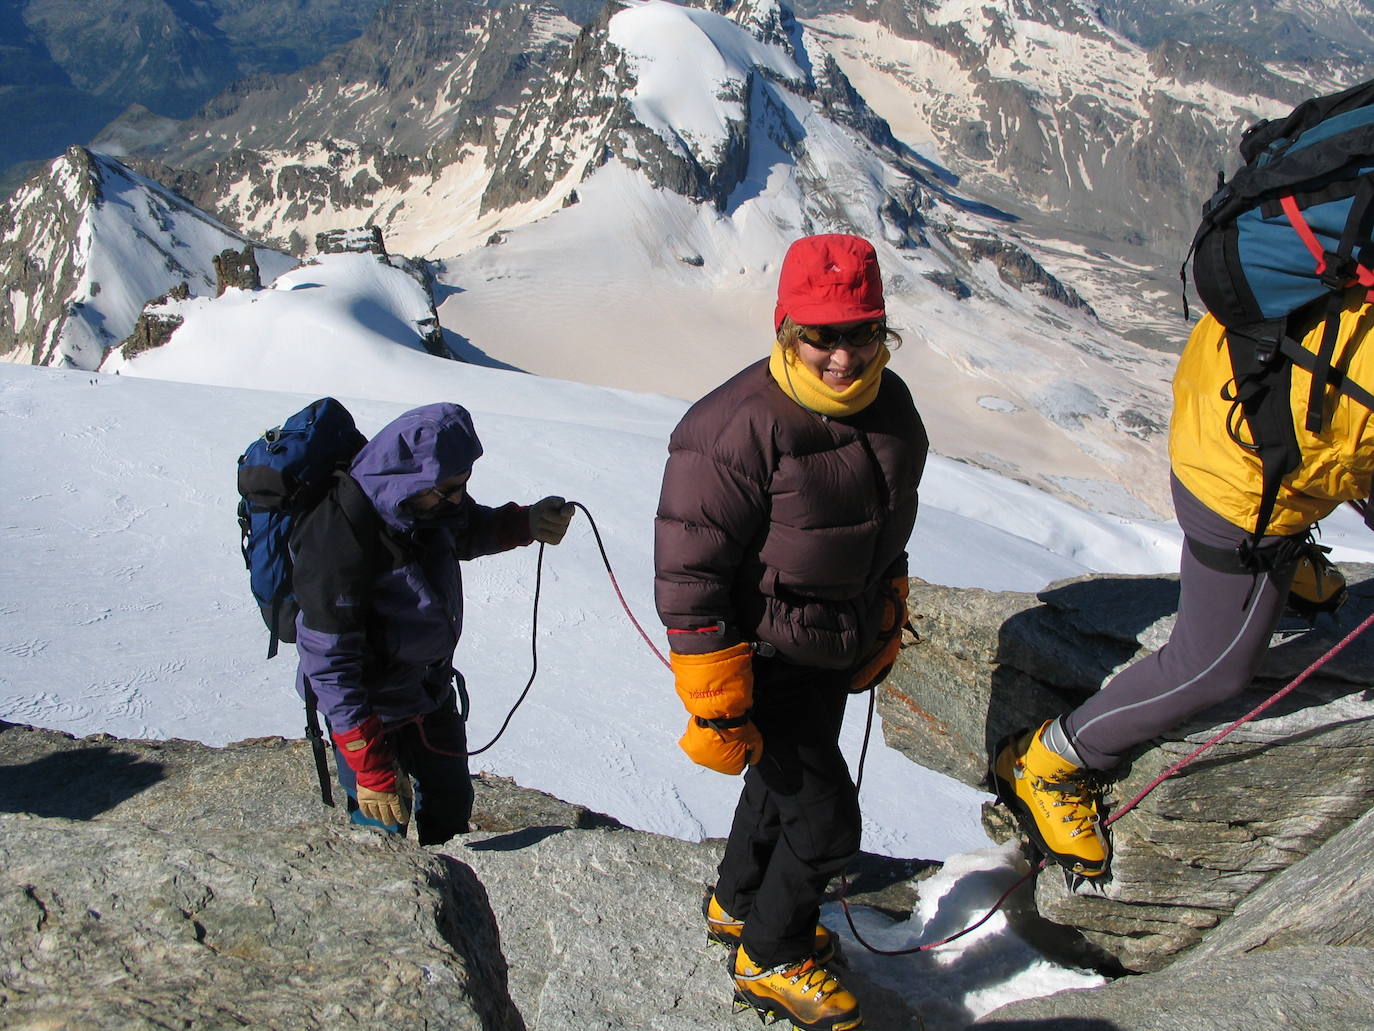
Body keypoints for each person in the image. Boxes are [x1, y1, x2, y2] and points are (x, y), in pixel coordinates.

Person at [993, 290, 1374, 879]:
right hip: (1236, 476)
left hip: (1230, 380)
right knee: (1214, 666)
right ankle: (1050, 761)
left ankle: (1282, 550)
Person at [655, 234, 928, 1031]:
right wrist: (717, 697)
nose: (842, 356)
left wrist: (883, 609)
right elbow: (689, 573)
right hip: (763, 660)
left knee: (778, 797)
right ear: (785, 330)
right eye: (821, 335)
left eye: (860, 332)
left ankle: (738, 905)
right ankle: (770, 955)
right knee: (828, 824)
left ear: (883, 330)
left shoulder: (892, 407)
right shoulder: (732, 428)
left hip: (829, 648)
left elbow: (885, 525)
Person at [292, 402, 574, 846]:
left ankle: (453, 888)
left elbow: (463, 527)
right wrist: (370, 765)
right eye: (448, 489)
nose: (457, 498)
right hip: (371, 709)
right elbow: (328, 664)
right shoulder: (338, 542)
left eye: (461, 486)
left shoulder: (424, 500)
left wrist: (524, 523)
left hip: (428, 691)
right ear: (411, 478)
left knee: (450, 801)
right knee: (381, 823)